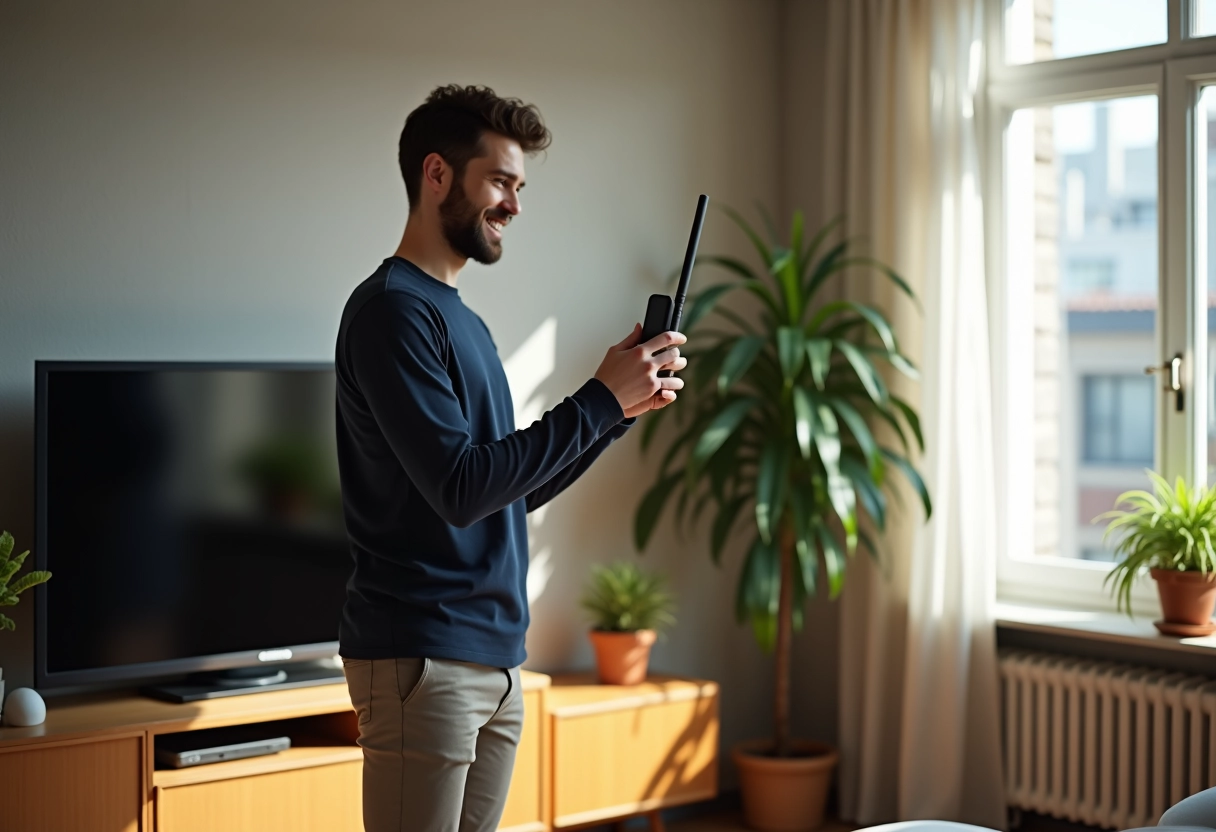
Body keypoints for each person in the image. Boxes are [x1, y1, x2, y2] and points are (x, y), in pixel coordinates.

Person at [334, 84, 687, 832]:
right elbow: (460, 488)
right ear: (437, 175)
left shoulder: (460, 320)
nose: (514, 205)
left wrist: (616, 412)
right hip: (421, 657)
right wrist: (596, 398)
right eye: (500, 181)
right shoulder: (392, 313)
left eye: (519, 187)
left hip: (491, 659)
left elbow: (505, 491)